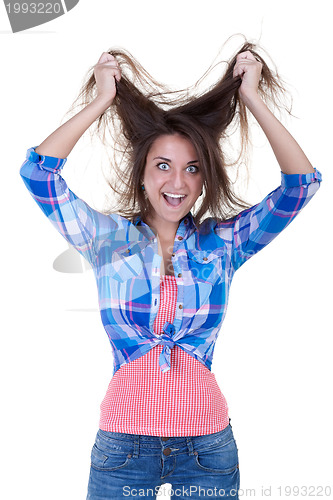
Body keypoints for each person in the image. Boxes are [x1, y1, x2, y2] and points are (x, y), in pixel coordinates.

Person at [19, 39, 322, 499]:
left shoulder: (223, 245)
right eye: (163, 166)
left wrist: (252, 99)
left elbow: (300, 186)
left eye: (192, 168)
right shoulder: (108, 243)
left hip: (207, 448)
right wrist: (102, 100)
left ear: (205, 180)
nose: (176, 182)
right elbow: (38, 174)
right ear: (142, 172)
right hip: (122, 447)